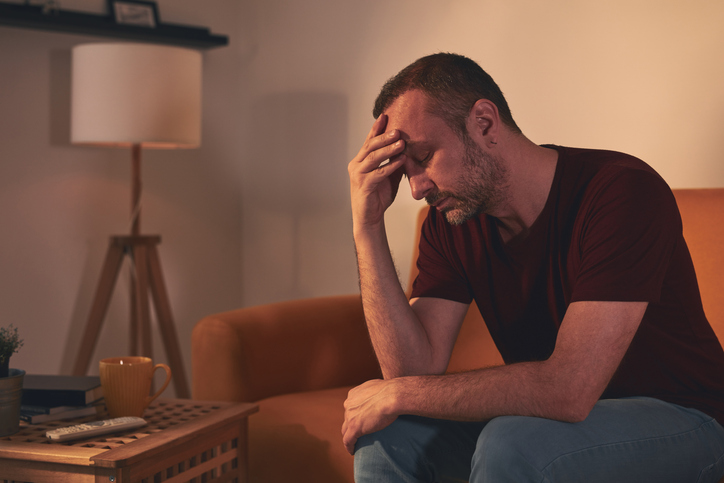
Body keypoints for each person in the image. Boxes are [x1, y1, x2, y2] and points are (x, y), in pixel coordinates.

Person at [343, 52, 724, 482]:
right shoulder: (451, 220)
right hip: (553, 427)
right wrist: (368, 226)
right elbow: (412, 373)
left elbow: (568, 391)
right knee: (390, 436)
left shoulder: (621, 192)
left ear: (484, 123)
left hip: (688, 421)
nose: (415, 189)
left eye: (424, 156)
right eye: (403, 171)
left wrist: (397, 393)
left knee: (512, 441)